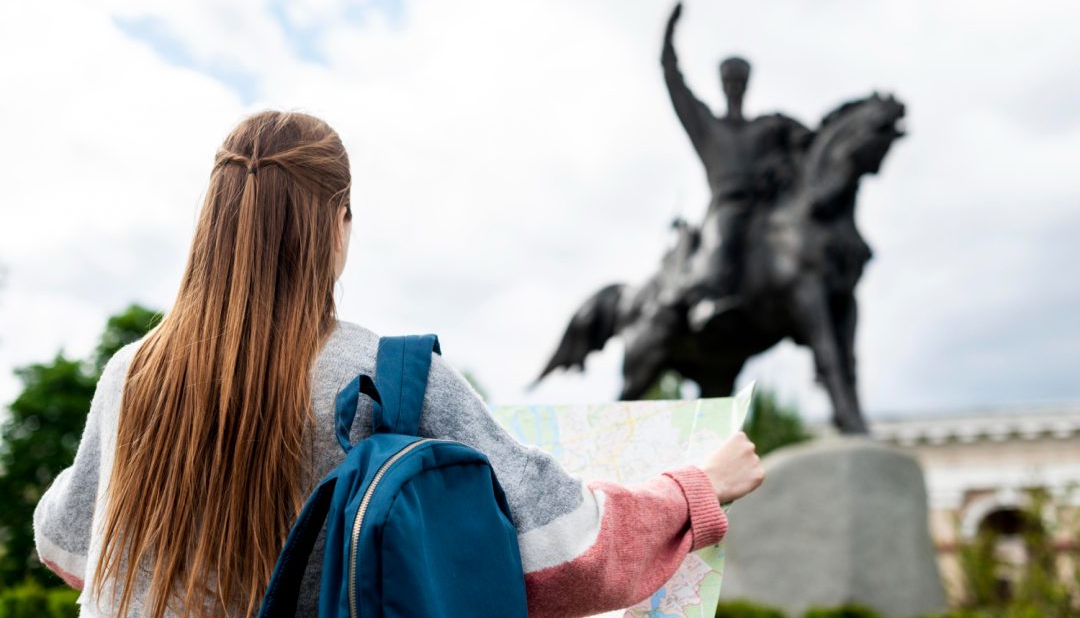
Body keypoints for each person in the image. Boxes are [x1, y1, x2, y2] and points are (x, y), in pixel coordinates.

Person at [32, 111, 764, 618]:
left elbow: (66, 539)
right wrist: (697, 490)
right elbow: (569, 551)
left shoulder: (131, 374)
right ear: (336, 220)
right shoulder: (391, 378)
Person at [661, 2, 811, 330]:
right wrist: (668, 35)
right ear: (722, 84)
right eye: (729, 80)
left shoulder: (764, 126)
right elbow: (675, 83)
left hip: (763, 205)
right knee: (727, 236)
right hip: (727, 208)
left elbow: (804, 139)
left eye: (740, 80)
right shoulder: (708, 127)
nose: (735, 86)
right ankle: (705, 298)